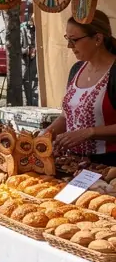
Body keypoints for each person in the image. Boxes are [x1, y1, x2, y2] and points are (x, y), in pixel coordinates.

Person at [45, 10, 116, 163]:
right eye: (67, 39)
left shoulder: (114, 72)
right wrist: (44, 136)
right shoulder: (76, 69)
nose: (69, 46)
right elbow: (66, 117)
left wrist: (90, 132)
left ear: (97, 38)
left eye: (74, 40)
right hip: (73, 162)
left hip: (109, 165)